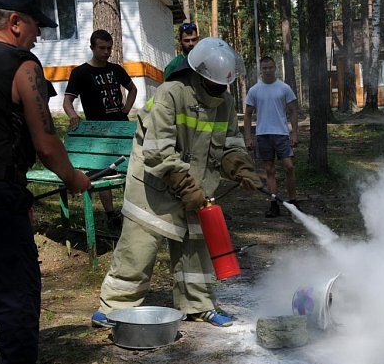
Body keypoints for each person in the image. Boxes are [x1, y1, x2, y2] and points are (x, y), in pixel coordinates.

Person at [91, 37, 262, 329]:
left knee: (196, 248)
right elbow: (158, 150)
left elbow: (231, 143)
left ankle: (197, 305)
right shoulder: (171, 93)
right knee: (139, 246)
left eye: (225, 85)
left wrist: (241, 167)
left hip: (196, 185)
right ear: (199, 74)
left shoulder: (225, 103)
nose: (221, 89)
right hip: (153, 185)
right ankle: (114, 307)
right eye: (216, 84)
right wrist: (185, 186)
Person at [0, 0, 91, 364]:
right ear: (13, 22)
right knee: (14, 291)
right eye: (35, 25)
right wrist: (73, 178)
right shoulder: (21, 65)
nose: (39, 34)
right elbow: (45, 141)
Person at [63, 29, 138, 228]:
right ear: (92, 47)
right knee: (102, 170)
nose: (106, 52)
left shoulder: (116, 70)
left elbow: (133, 89)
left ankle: (132, 212)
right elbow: (67, 101)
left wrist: (126, 109)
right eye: (102, 48)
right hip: (97, 131)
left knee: (129, 169)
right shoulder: (80, 73)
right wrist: (73, 116)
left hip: (121, 127)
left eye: (109, 48)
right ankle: (111, 215)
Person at [244, 56, 299, 218]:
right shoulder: (254, 90)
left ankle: (293, 202)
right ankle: (274, 204)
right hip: (263, 134)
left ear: (275, 68)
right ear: (261, 70)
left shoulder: (284, 88)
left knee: (289, 166)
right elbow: (247, 115)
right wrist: (248, 137)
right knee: (269, 170)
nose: (267, 71)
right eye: (264, 68)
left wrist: (294, 132)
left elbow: (293, 110)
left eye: (270, 67)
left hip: (281, 134)